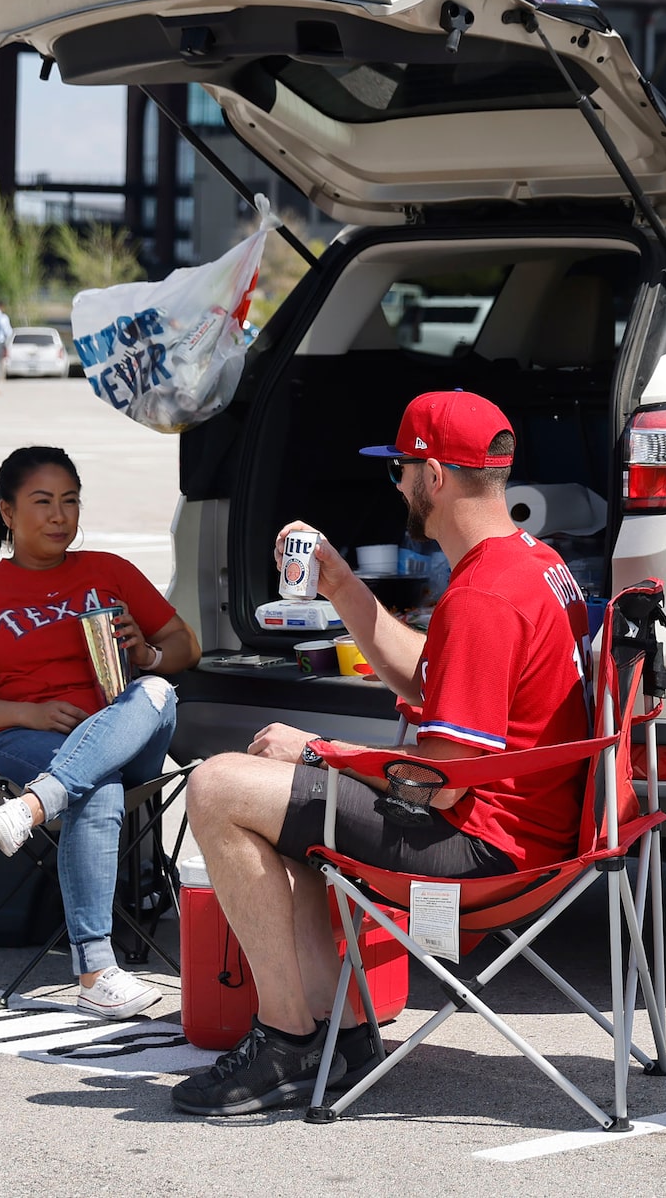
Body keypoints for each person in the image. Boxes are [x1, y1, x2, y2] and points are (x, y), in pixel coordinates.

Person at [171, 390, 588, 1118]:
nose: (394, 486)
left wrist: (321, 752)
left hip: (484, 849)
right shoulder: (530, 561)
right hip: (526, 828)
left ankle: (285, 1041)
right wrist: (338, 582)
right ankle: (336, 1034)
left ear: (432, 476)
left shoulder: (484, 594)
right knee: (272, 800)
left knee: (216, 787)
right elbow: (432, 672)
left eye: (398, 470)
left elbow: (440, 784)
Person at [0, 445, 199, 1016]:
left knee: (156, 691)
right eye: (42, 502)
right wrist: (30, 713)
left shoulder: (110, 572)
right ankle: (96, 971)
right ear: (6, 511)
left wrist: (145, 652)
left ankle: (37, 804)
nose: (59, 516)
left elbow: (185, 647)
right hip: (21, 740)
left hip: (126, 726)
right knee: (96, 786)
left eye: (69, 501)